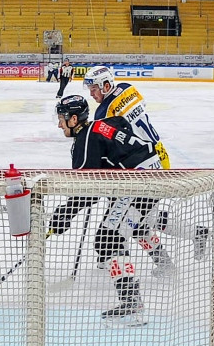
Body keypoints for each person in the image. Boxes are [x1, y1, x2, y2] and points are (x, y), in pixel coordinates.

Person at [46, 95, 168, 327]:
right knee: (129, 228)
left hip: (140, 183)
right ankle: (164, 267)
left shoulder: (86, 139)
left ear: (74, 119)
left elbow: (88, 191)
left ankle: (132, 304)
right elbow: (121, 124)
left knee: (107, 238)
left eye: (62, 119)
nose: (59, 124)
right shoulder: (99, 126)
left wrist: (65, 213)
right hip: (149, 174)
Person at [84, 65, 170, 169]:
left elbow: (108, 145)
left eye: (94, 89)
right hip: (160, 150)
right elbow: (142, 104)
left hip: (142, 159)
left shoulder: (104, 111)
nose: (91, 94)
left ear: (106, 86)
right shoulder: (128, 88)